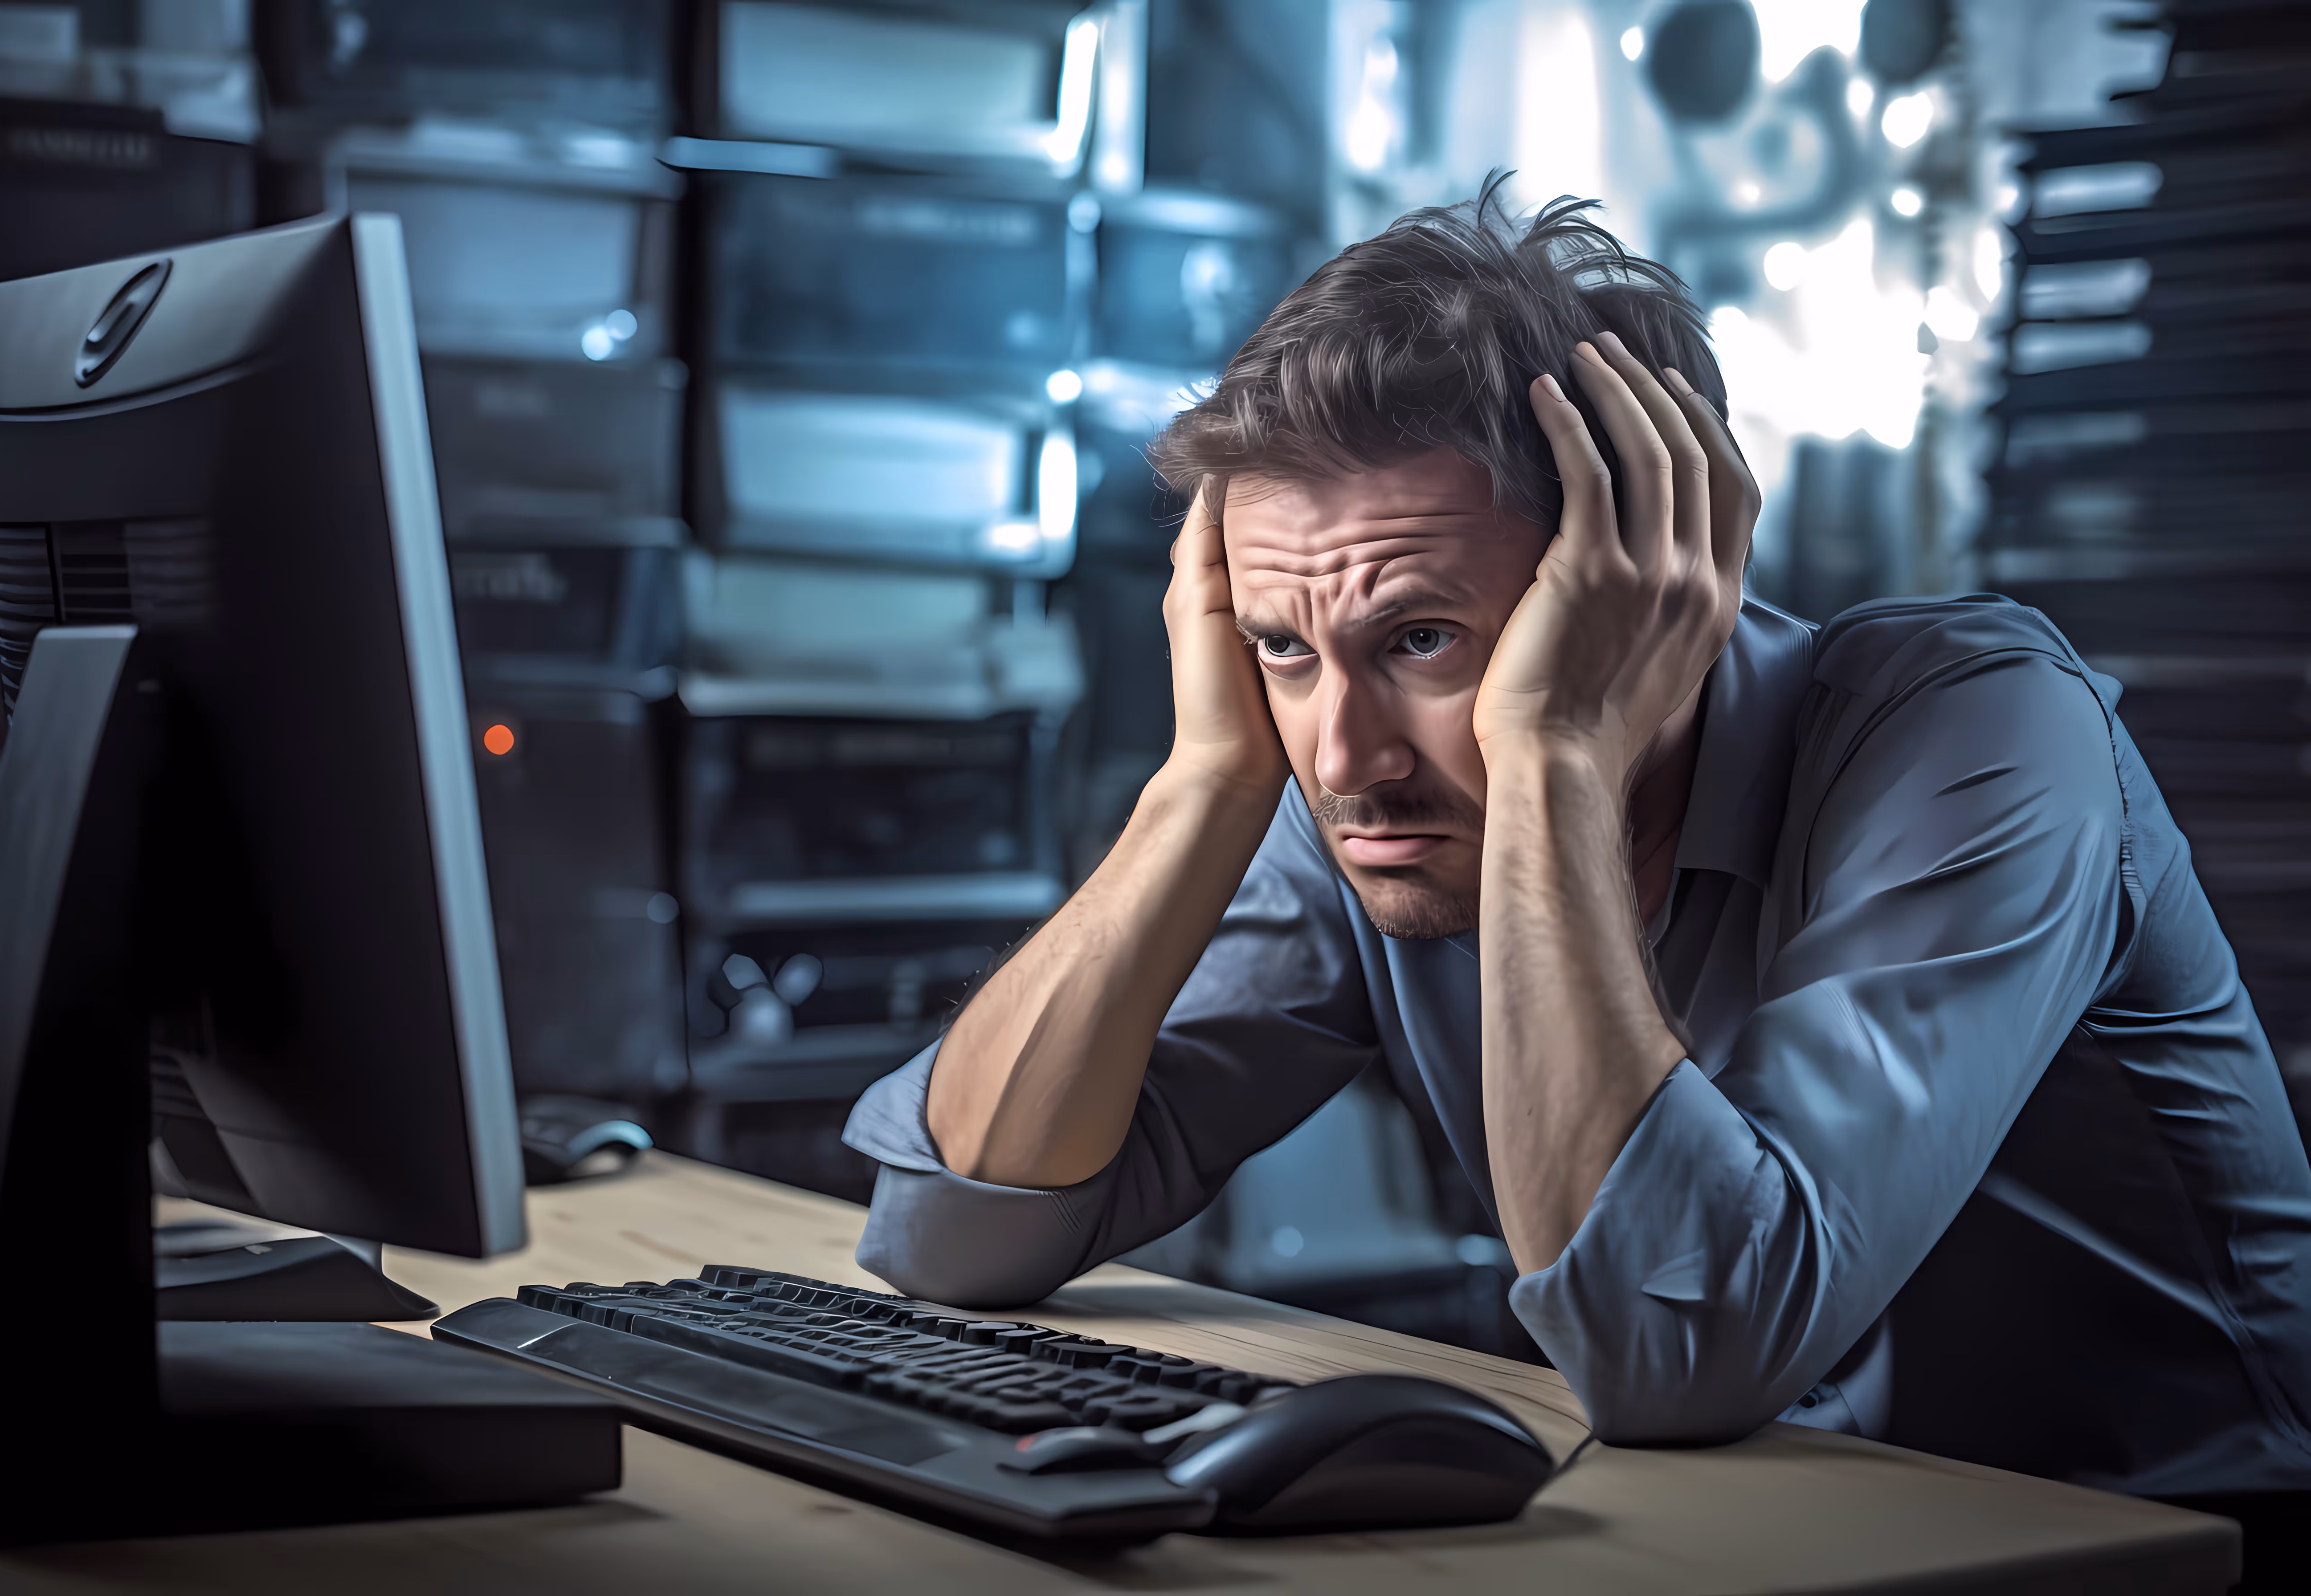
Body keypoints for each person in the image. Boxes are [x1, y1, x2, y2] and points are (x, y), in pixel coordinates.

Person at [842, 185, 2311, 1497]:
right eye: (1283, 645)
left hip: (2172, 1543)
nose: (1343, 760)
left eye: (1424, 638)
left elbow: (1687, 1355)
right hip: (1785, 1529)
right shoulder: (1370, 791)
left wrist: (1553, 748)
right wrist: (1211, 780)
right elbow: (951, 1237)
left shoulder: (1985, 735)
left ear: (1650, 585)